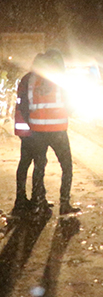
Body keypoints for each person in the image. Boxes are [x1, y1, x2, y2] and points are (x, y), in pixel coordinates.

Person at [29, 49, 80, 217]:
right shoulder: (60, 80)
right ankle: (64, 202)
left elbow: (29, 103)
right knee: (66, 167)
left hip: (37, 131)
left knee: (39, 167)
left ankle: (39, 202)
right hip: (57, 131)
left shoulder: (33, 79)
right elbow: (71, 106)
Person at [11, 54, 49, 217]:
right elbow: (27, 105)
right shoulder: (34, 80)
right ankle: (36, 199)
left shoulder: (26, 78)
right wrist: (34, 126)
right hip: (32, 128)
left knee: (26, 161)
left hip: (24, 127)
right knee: (39, 161)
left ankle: (22, 199)